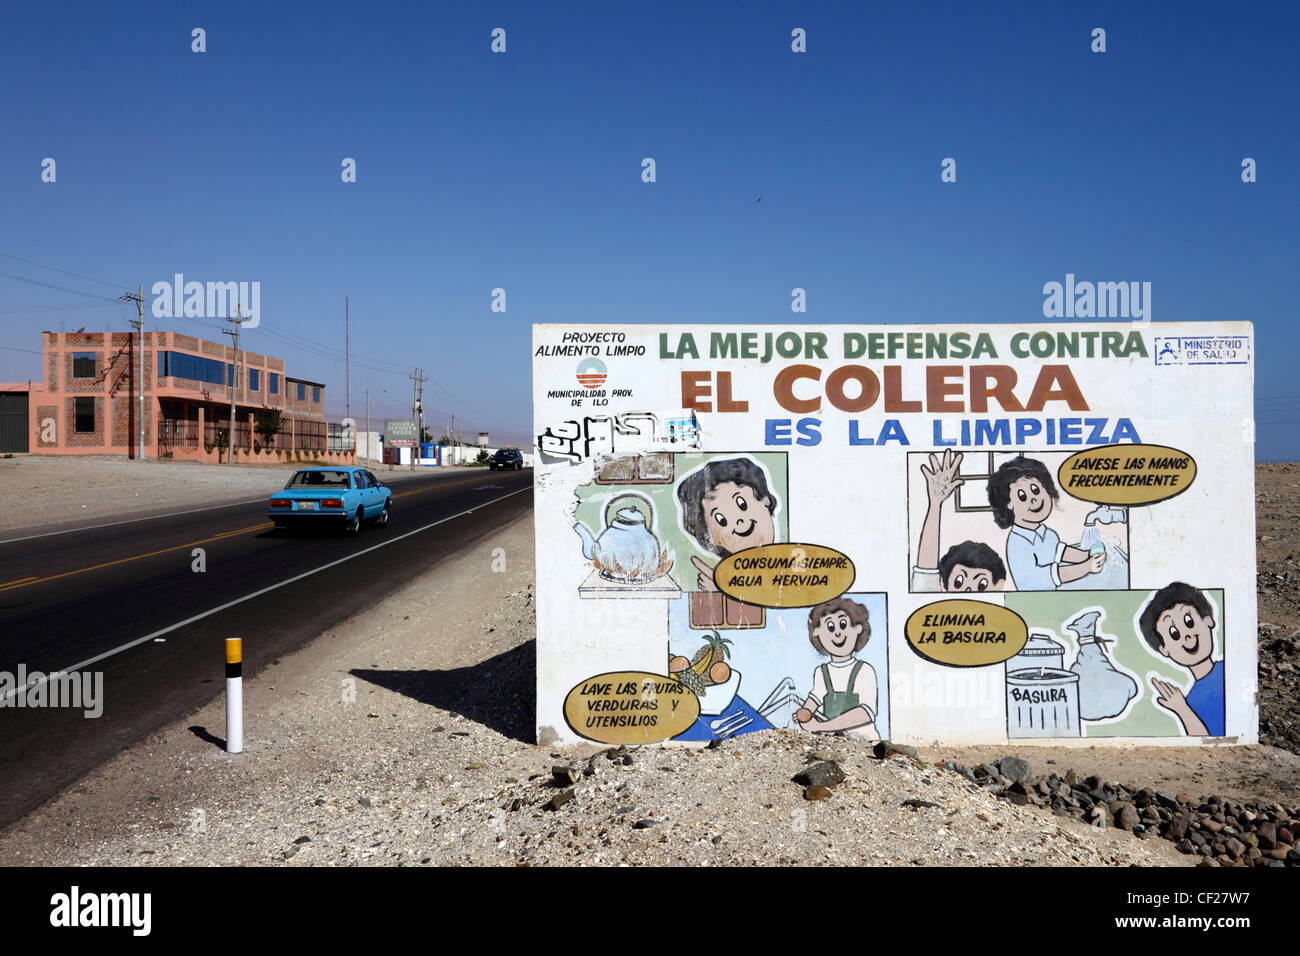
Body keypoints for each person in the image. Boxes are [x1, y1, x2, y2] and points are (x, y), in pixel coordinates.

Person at [987, 456, 1103, 590]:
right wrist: (1086, 567)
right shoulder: (1017, 543)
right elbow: (1042, 578)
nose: (1034, 500)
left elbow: (1061, 552)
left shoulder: (1047, 534)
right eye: (1022, 496)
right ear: (1008, 504)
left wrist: (1087, 555)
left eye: (1036, 491)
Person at [676, 456, 779, 591]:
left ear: (765, 500)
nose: (738, 521)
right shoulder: (732, 576)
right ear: (712, 539)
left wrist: (726, 589)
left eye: (742, 504)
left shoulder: (793, 560)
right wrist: (722, 590)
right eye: (721, 520)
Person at [911, 450, 1008, 592]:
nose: (968, 590)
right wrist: (935, 505)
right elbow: (926, 574)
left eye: (981, 585)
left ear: (999, 585)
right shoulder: (937, 608)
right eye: (958, 582)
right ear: (946, 584)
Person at [1139, 582, 1224, 737]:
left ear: (1208, 620)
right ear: (1164, 650)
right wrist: (1182, 709)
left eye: (1189, 622)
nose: (1186, 635)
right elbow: (1204, 741)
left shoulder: (1228, 671)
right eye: (1174, 634)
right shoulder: (1192, 700)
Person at [794, 597, 879, 740]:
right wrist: (805, 713)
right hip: (835, 743)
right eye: (830, 627)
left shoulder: (864, 670)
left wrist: (820, 726)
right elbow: (815, 698)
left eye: (843, 624)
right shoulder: (822, 672)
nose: (837, 633)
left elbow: (865, 712)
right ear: (817, 633)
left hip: (865, 742)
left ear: (858, 629)